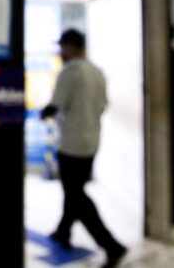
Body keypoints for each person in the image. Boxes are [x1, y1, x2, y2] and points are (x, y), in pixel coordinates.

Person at [41, 29, 127, 268]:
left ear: (70, 47)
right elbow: (103, 105)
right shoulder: (97, 71)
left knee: (76, 196)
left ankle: (111, 245)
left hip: (71, 144)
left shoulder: (70, 72)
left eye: (62, 47)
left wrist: (42, 113)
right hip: (91, 142)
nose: (60, 52)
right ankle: (63, 231)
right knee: (74, 189)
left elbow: (55, 105)